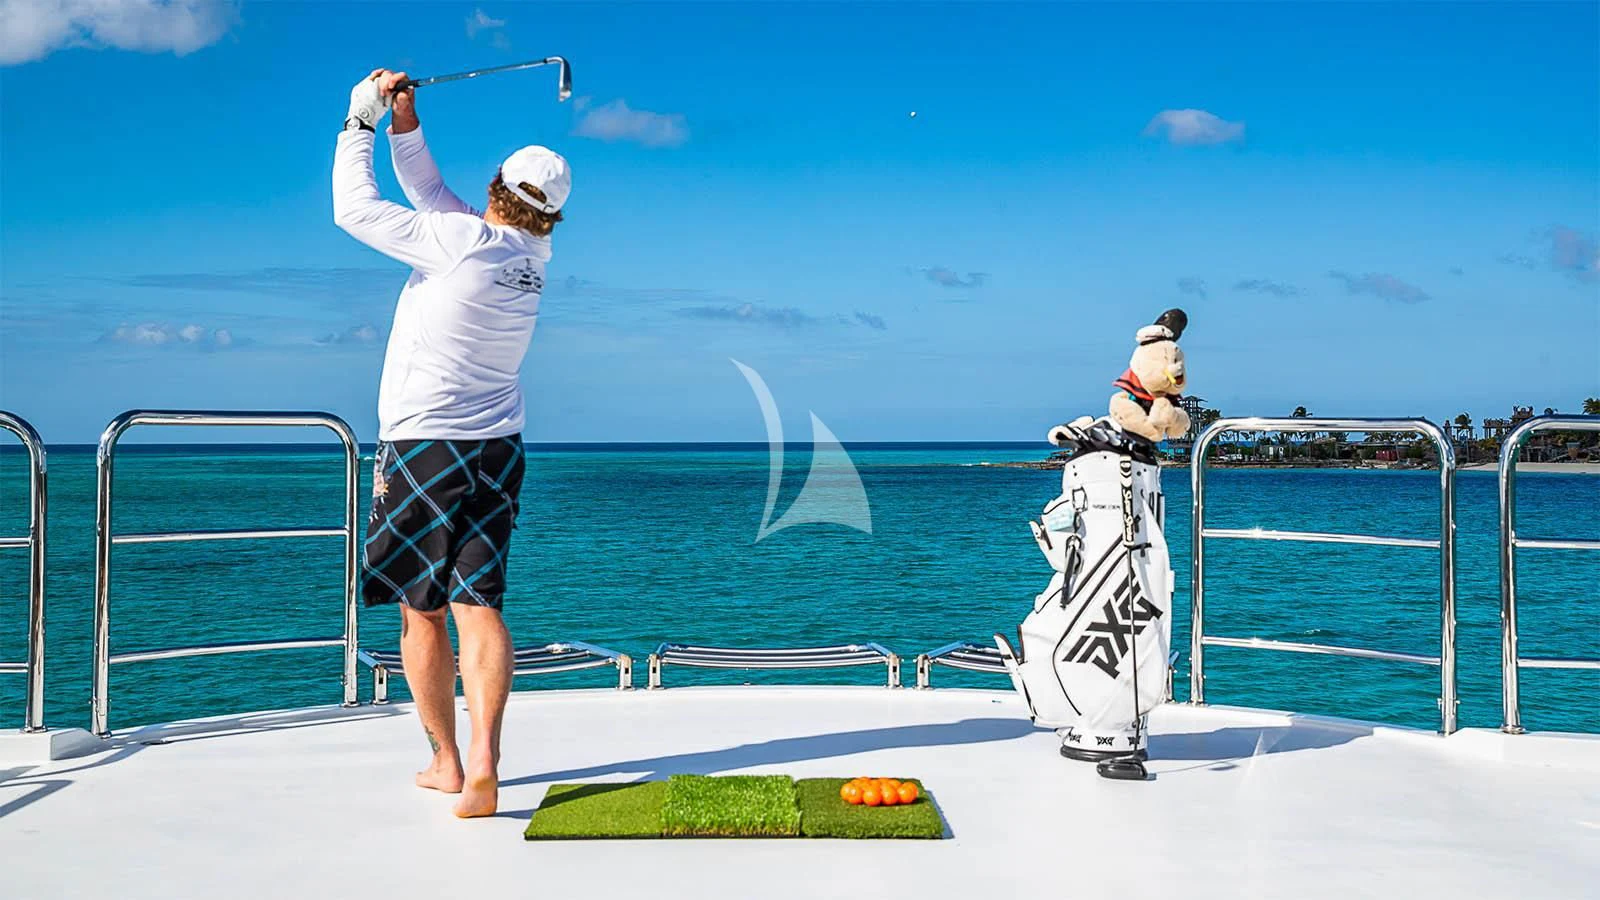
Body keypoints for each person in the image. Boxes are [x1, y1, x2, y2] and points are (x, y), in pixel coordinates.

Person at [333, 69, 570, 818]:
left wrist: (359, 123)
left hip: (426, 446)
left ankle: (445, 761)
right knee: (479, 608)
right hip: (497, 446)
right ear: (552, 213)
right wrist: (408, 124)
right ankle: (488, 765)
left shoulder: (464, 242)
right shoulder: (529, 259)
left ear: (497, 185)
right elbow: (433, 198)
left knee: (421, 613)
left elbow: (354, 210)